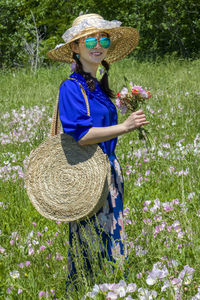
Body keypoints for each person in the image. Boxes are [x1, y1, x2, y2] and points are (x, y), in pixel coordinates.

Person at [47, 13, 149, 290]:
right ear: (75, 47)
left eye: (103, 38)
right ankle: (86, 291)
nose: (98, 44)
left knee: (111, 239)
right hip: (87, 173)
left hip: (109, 173)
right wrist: (125, 127)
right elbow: (82, 136)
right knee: (88, 243)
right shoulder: (71, 87)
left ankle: (111, 290)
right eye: (90, 39)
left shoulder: (100, 88)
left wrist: (125, 108)